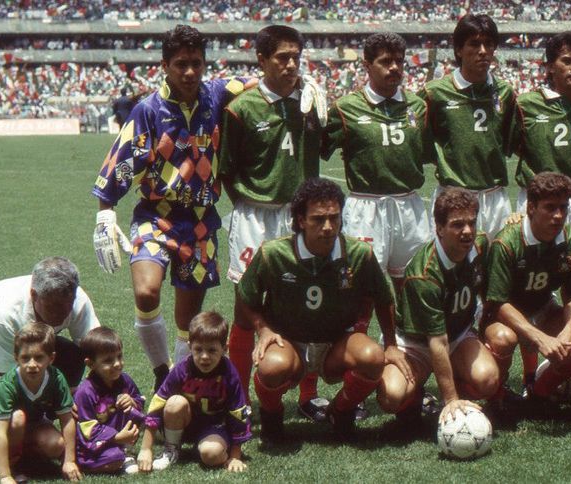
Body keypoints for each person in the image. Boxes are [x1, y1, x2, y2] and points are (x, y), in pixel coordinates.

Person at [91, 24, 252, 391]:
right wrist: (105, 213)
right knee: (146, 292)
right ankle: (161, 370)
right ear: (165, 66)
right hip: (156, 214)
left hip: (201, 222)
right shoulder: (148, 110)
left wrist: (303, 83)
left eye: (197, 63)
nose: (190, 72)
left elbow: (255, 82)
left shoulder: (216, 95)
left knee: (187, 321)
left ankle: (175, 384)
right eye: (181, 64)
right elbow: (121, 160)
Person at [237, 178, 411, 441]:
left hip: (337, 343)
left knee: (373, 358)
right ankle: (272, 415)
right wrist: (263, 330)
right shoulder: (274, 253)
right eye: (318, 219)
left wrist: (391, 344)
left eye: (334, 218)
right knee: (271, 368)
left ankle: (340, 411)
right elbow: (245, 295)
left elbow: (384, 298)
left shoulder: (359, 253)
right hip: (290, 344)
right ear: (301, 220)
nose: (328, 226)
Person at [218, 25, 327, 423]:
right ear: (261, 60)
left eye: (296, 57)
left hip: (300, 216)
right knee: (246, 306)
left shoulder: (311, 103)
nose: (291, 64)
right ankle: (238, 397)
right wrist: (248, 204)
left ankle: (309, 395)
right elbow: (226, 170)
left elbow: (328, 146)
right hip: (255, 214)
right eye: (282, 57)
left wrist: (323, 112)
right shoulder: (241, 108)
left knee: (310, 300)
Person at [377, 187, 513, 426]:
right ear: (439, 228)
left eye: (471, 223)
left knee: (488, 380)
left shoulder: (479, 244)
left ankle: (479, 391)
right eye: (457, 225)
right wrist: (450, 400)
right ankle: (416, 398)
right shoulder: (424, 274)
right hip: (415, 344)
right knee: (391, 396)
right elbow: (436, 342)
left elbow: (485, 289)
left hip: (457, 335)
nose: (467, 231)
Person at [322, 32, 432, 289]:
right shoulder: (345, 108)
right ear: (367, 65)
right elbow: (320, 149)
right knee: (361, 285)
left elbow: (426, 153)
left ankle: (404, 319)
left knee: (414, 282)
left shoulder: (418, 106)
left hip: (409, 207)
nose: (394, 67)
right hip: (366, 206)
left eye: (399, 61)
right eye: (385, 61)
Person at [485, 173, 571, 404]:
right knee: (502, 339)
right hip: (506, 315)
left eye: (563, 207)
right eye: (550, 207)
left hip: (543, 307)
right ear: (531, 207)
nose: (558, 215)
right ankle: (498, 396)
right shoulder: (506, 243)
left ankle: (540, 392)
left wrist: (569, 331)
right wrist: (540, 338)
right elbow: (498, 303)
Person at [423, 13, 516, 237]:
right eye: (474, 44)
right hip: (453, 196)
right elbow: (422, 141)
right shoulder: (435, 93)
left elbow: (508, 141)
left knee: (497, 257)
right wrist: (446, 163)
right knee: (448, 257)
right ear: (458, 50)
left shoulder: (505, 92)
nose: (483, 51)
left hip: (495, 198)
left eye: (489, 44)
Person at [138, 311, 250, 473]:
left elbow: (238, 412)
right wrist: (146, 448)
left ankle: (214, 447)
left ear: (224, 349)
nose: (204, 356)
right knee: (175, 403)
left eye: (212, 350)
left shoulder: (229, 373)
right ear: (190, 347)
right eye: (198, 349)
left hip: (214, 427)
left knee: (211, 454)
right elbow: (158, 402)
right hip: (185, 423)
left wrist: (235, 456)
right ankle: (171, 448)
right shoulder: (182, 369)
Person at [511, 33, 571, 225]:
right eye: (567, 61)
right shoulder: (526, 104)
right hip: (539, 200)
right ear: (550, 67)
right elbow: (513, 144)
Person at [0, 323, 81, 483]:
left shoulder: (56, 378)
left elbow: (67, 419)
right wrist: (5, 476)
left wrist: (69, 460)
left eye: (39, 358)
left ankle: (24, 456)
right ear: (16, 358)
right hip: (1, 428)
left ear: (51, 358)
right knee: (18, 418)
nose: (32, 364)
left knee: (55, 445)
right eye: (25, 358)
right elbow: (0, 433)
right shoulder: (7, 385)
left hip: (34, 422)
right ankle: (11, 465)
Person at [0, 256, 99, 388]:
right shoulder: (4, 315)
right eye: (53, 307)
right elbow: (10, 375)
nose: (62, 313)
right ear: (34, 295)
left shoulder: (78, 300)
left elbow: (95, 348)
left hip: (27, 339)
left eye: (68, 304)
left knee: (72, 355)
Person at [74, 327, 144, 474]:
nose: (117, 364)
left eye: (119, 356)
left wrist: (132, 402)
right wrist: (117, 437)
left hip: (120, 436)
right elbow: (88, 428)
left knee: (138, 413)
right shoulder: (85, 392)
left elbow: (140, 401)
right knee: (115, 458)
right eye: (108, 360)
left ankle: (124, 451)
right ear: (91, 364)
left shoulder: (125, 380)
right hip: (93, 445)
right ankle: (89, 464)